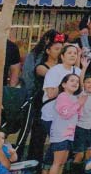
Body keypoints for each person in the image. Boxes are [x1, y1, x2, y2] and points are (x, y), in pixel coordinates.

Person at [38, 43, 88, 174]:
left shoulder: (78, 71)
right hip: (52, 117)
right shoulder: (54, 71)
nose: (73, 55)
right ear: (62, 56)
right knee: (55, 155)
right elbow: (52, 93)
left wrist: (83, 70)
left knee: (61, 158)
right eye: (69, 53)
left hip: (69, 127)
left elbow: (82, 89)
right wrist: (67, 90)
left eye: (75, 53)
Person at [45, 73, 88, 174]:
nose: (75, 83)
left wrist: (80, 104)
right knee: (57, 163)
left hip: (69, 135)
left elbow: (77, 114)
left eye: (77, 81)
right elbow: (66, 113)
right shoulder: (62, 96)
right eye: (71, 81)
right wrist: (78, 104)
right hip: (60, 135)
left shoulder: (74, 98)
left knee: (62, 163)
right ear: (64, 84)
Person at [27, 34, 65, 165]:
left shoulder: (65, 68)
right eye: (56, 49)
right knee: (38, 137)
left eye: (61, 49)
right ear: (48, 51)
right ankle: (33, 165)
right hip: (42, 105)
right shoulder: (42, 67)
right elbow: (55, 77)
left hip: (61, 106)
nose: (59, 52)